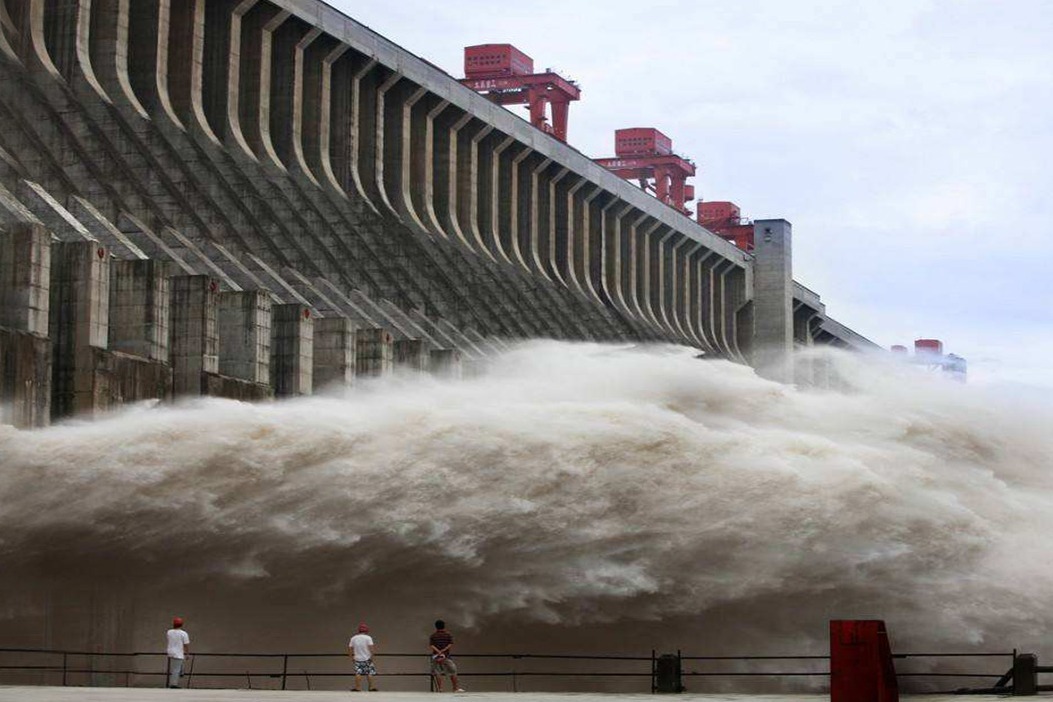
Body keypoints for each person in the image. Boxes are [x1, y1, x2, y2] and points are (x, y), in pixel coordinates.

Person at [429, 619, 463, 692]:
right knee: (453, 671)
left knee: (438, 673)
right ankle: (455, 688)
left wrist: (438, 652)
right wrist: (443, 651)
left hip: (436, 656)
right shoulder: (448, 635)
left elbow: (431, 645)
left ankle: (440, 689)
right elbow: (450, 644)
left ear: (436, 627)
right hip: (446, 656)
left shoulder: (433, 636)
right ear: (444, 626)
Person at [348, 622, 378, 692]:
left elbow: (350, 648)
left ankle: (357, 688)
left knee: (358, 673)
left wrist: (351, 657)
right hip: (367, 658)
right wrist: (372, 656)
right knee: (369, 673)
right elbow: (371, 648)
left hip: (357, 658)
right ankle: (371, 687)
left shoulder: (353, 638)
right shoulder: (368, 638)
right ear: (366, 630)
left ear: (359, 630)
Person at [165, 617, 190, 689]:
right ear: (181, 624)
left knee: (178, 665)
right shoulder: (184, 633)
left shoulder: (169, 632)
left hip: (170, 651)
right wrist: (187, 654)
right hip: (178, 652)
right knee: (176, 669)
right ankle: (173, 684)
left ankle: (181, 672)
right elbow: (186, 644)